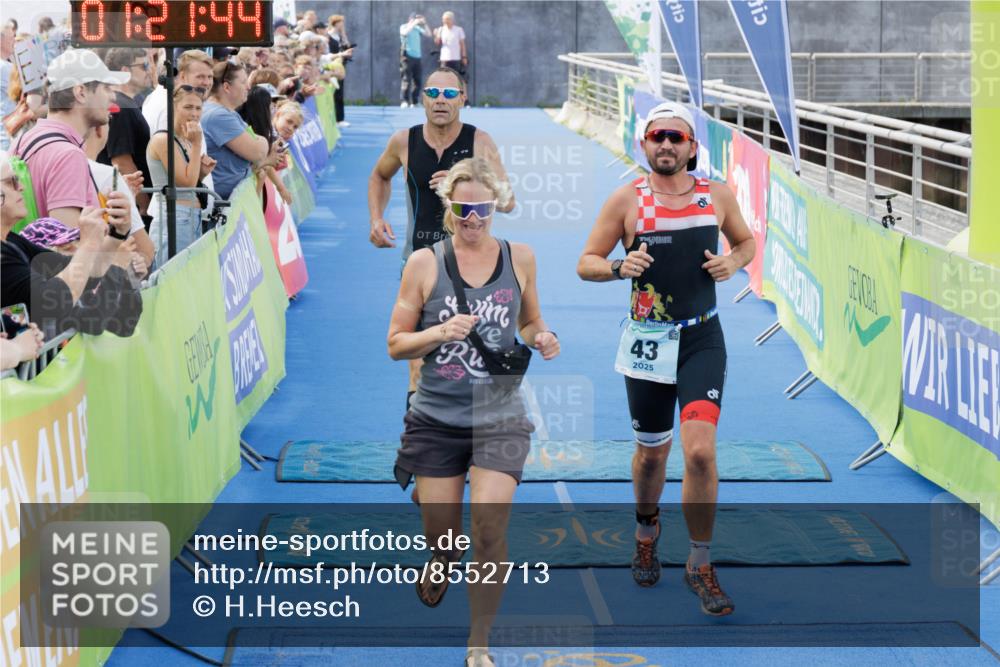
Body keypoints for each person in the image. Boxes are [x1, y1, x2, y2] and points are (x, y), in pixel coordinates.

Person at [577, 102, 754, 616]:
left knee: (699, 452)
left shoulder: (714, 196)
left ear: (692, 146)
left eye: (677, 137)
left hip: (702, 339)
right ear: (644, 143)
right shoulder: (626, 200)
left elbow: (746, 241)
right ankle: (646, 527)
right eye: (658, 136)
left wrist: (732, 261)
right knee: (653, 454)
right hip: (648, 342)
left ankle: (699, 562)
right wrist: (617, 267)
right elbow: (586, 262)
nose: (667, 145)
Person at [387, 157, 559, 667]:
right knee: (445, 538)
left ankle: (478, 641)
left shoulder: (520, 257)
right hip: (436, 417)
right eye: (463, 208)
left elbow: (530, 321)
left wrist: (543, 337)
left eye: (482, 207)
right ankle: (440, 559)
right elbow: (396, 344)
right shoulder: (424, 263)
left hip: (499, 413)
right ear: (449, 207)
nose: (473, 218)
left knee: (488, 529)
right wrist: (440, 332)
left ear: (497, 204)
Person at [369, 66, 515, 412]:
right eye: (433, 93)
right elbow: (379, 176)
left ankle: (470, 432)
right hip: (419, 261)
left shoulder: (479, 142)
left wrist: (463, 179)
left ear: (462, 100)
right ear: (422, 99)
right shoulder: (404, 141)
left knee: (470, 354)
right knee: (418, 356)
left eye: (450, 94)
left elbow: (508, 201)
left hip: (471, 264)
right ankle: (419, 440)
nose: (440, 101)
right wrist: (376, 218)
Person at [1, 152, 142, 338]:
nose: (21, 187)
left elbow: (87, 274)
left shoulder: (11, 241)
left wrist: (117, 234)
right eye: (11, 181)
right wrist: (90, 245)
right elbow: (54, 302)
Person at [12, 49, 129, 230]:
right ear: (81, 92)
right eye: (105, 88)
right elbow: (69, 248)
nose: (113, 96)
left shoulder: (24, 140)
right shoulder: (68, 156)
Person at [147, 86, 218, 267]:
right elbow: (186, 183)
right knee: (170, 282)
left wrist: (201, 171)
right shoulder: (163, 140)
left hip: (191, 216)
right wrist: (197, 145)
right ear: (173, 107)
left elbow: (190, 181)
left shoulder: (184, 140)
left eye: (198, 108)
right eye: (188, 107)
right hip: (174, 218)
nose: (194, 113)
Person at [84, 120, 155, 275]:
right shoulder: (109, 176)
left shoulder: (32, 150)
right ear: (99, 130)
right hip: (108, 285)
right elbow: (145, 251)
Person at [98, 48, 154, 225]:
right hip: (131, 205)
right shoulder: (120, 107)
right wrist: (144, 205)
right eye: (144, 66)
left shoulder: (130, 102)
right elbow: (121, 161)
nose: (149, 71)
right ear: (125, 71)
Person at [201, 60, 271, 202]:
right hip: (225, 203)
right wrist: (262, 142)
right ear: (227, 87)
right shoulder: (218, 116)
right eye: (243, 82)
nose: (248, 87)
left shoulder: (227, 112)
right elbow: (258, 153)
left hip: (233, 198)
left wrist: (260, 142)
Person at [326, 14, 354, 126]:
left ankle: (340, 119)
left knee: (340, 92)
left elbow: (347, 46)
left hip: (341, 66)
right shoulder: (328, 36)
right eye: (340, 22)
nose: (342, 25)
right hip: (331, 66)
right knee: (332, 93)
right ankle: (332, 119)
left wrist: (343, 34)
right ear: (335, 23)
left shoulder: (340, 36)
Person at [399, 13, 430, 108]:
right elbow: (404, 33)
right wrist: (414, 22)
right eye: (414, 19)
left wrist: (424, 23)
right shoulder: (404, 26)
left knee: (418, 80)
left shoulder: (417, 29)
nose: (417, 20)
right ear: (410, 19)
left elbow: (428, 34)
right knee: (406, 79)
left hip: (418, 58)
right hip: (407, 56)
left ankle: (415, 101)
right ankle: (405, 101)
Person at [434, 11, 468, 85]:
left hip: (456, 58)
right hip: (444, 59)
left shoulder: (459, 30)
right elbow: (437, 43)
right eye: (444, 19)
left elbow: (462, 44)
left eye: (447, 19)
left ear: (452, 20)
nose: (445, 21)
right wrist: (436, 35)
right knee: (444, 79)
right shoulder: (441, 29)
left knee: (455, 79)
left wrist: (464, 57)